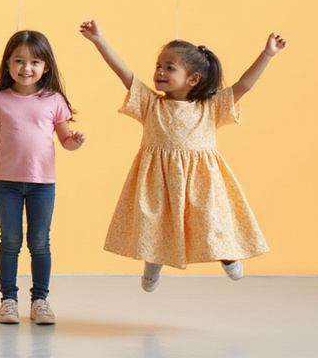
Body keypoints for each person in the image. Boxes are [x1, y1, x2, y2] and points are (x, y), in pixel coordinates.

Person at [80, 20, 286, 291]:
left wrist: (267, 54)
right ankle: (153, 266)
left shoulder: (210, 107)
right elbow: (123, 73)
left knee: (211, 222)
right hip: (159, 181)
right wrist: (99, 40)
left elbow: (244, 85)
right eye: (158, 66)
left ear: (193, 79)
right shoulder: (150, 103)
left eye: (169, 67)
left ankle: (228, 256)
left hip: (201, 182)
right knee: (157, 224)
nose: (160, 72)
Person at [0, 31, 85, 325]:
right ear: (8, 63)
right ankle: (8, 300)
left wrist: (75, 140)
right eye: (19, 60)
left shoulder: (54, 100)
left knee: (39, 242)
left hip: (42, 185)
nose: (26, 68)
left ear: (46, 67)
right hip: (6, 183)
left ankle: (40, 301)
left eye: (35, 61)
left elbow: (65, 141)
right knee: (9, 241)